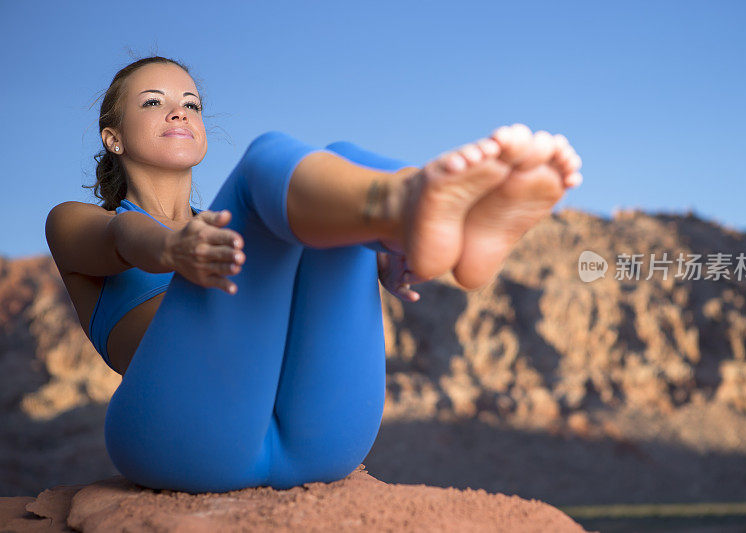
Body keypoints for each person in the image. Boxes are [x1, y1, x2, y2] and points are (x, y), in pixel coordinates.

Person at [44, 56, 583, 494]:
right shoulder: (74, 221)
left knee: (338, 171)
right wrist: (175, 248)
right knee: (266, 167)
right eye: (154, 102)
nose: (179, 113)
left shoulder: (244, 225)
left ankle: (418, 225)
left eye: (191, 104)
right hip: (180, 439)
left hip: (322, 439)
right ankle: (410, 203)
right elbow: (119, 242)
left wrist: (386, 259)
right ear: (112, 138)